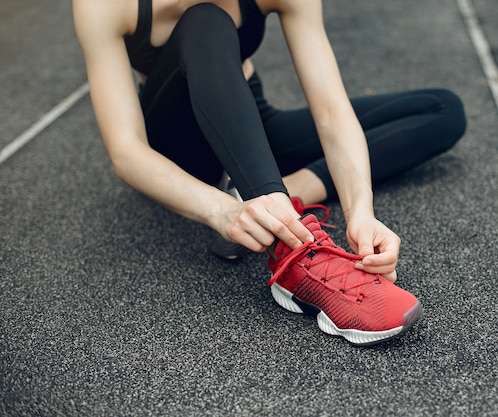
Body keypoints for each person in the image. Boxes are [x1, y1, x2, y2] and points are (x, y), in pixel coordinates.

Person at [72, 0, 466, 345]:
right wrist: (221, 212)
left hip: (249, 119)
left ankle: (281, 193)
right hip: (180, 147)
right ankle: (292, 245)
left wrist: (361, 209)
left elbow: (330, 110)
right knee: (205, 19)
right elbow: (126, 151)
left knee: (442, 109)